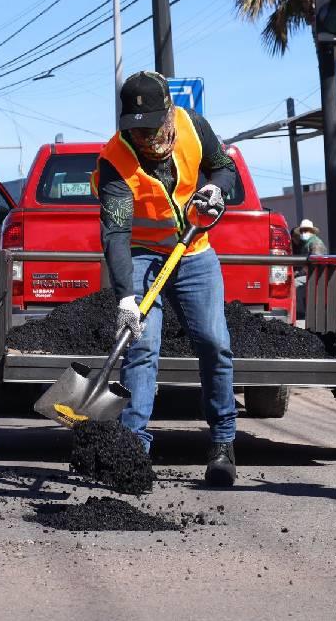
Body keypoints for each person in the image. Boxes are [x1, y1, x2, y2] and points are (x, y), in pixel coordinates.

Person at [91, 71, 239, 487]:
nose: (141, 136)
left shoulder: (193, 127)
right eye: (134, 128)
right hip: (140, 255)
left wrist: (216, 190)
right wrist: (124, 298)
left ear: (168, 115)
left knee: (214, 342)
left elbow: (224, 168)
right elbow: (116, 234)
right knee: (141, 345)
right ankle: (133, 449)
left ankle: (223, 443)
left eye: (149, 126)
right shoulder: (114, 163)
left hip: (194, 253)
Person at [292, 219, 326, 318]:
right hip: (309, 273)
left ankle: (301, 312)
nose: (303, 233)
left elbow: (315, 263)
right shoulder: (306, 243)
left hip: (316, 274)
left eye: (306, 230)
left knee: (295, 283)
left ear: (311, 231)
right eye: (302, 231)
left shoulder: (315, 243)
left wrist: (299, 273)